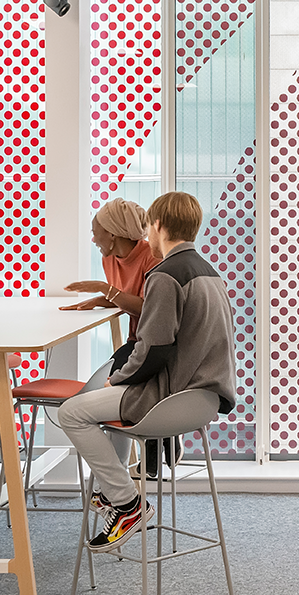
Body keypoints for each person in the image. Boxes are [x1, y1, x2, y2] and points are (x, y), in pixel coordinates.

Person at [53, 191, 237, 551]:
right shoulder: (207, 270)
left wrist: (117, 379)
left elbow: (153, 350)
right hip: (204, 397)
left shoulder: (165, 275)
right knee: (98, 399)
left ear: (158, 226)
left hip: (171, 396)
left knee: (72, 412)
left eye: (147, 228)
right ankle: (117, 491)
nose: (145, 235)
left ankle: (125, 502)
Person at [61, 197, 158, 348]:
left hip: (154, 344)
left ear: (112, 234)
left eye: (95, 233)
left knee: (112, 370)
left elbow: (148, 308)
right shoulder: (109, 259)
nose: (93, 240)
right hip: (135, 340)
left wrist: (103, 288)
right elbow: (125, 296)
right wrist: (98, 300)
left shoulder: (153, 257)